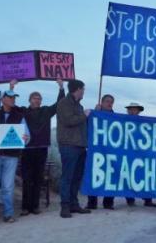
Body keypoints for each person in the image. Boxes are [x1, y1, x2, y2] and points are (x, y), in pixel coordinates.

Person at [9, 79, 65, 216]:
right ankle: (25, 207)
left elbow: (59, 104)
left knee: (38, 178)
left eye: (39, 98)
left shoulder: (46, 111)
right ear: (29, 100)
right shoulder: (23, 111)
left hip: (42, 148)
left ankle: (35, 206)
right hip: (27, 149)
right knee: (27, 179)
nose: (37, 100)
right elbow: (10, 105)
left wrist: (61, 87)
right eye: (35, 98)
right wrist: (11, 87)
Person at [0, 90, 30, 225]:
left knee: (8, 186)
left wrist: (25, 138)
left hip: (11, 156)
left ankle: (8, 214)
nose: (13, 99)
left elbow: (26, 135)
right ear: (2, 99)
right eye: (10, 97)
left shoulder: (20, 116)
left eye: (14, 97)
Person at [56, 79, 91, 218]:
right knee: (67, 177)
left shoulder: (79, 106)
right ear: (77, 89)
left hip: (80, 145)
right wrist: (84, 116)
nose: (83, 92)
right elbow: (68, 121)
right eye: (83, 89)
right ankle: (65, 206)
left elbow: (81, 122)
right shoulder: (64, 103)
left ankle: (74, 204)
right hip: (69, 145)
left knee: (76, 177)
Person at [124, 102, 156, 208]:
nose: (132, 111)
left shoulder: (143, 122)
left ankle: (148, 200)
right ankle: (130, 199)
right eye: (131, 109)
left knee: (146, 176)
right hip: (128, 154)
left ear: (138, 111)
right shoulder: (121, 121)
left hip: (142, 155)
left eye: (135, 109)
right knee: (128, 176)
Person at [87, 94, 116, 210]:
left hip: (111, 151)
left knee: (111, 175)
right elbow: (86, 125)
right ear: (102, 102)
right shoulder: (95, 114)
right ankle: (92, 202)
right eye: (107, 101)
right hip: (96, 151)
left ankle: (108, 203)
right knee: (94, 174)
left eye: (111, 102)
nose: (109, 104)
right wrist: (94, 112)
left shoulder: (116, 117)